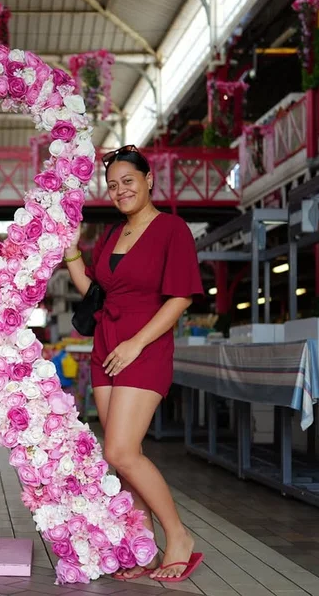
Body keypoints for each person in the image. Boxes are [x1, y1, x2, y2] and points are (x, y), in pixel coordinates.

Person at [62, 145, 204, 582]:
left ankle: (178, 536)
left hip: (143, 346)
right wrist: (71, 253)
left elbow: (180, 297)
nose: (120, 190)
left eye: (128, 181)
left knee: (120, 450)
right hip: (107, 345)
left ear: (148, 181)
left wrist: (137, 344)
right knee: (125, 457)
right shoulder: (111, 236)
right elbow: (96, 290)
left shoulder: (171, 229)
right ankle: (141, 546)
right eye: (112, 185)